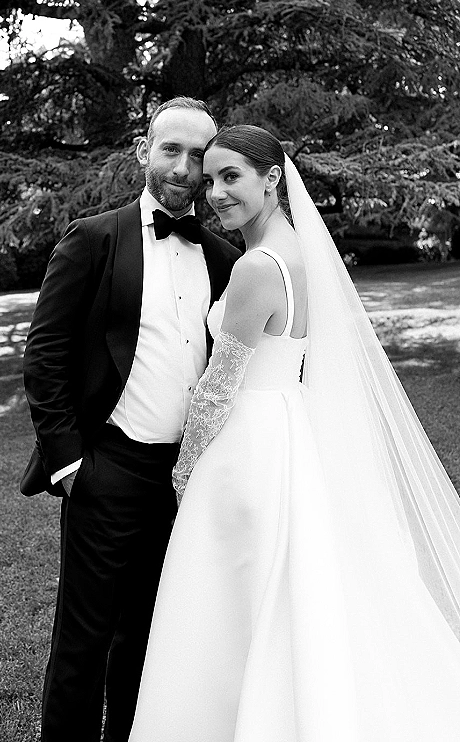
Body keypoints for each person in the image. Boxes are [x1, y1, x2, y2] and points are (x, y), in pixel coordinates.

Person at [129, 125, 460, 742]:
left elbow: (218, 388)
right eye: (210, 181)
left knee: (232, 597)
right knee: (287, 591)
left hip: (245, 441)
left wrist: (183, 473)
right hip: (287, 425)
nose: (217, 194)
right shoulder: (301, 252)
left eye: (232, 178)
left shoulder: (257, 266)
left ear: (272, 178)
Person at [22, 97, 241, 742]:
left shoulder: (225, 259)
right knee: (85, 639)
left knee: (148, 634)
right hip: (107, 467)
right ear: (147, 151)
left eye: (196, 155)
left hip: (183, 480)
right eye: (169, 149)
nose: (181, 166)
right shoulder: (96, 238)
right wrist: (69, 464)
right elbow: (47, 353)